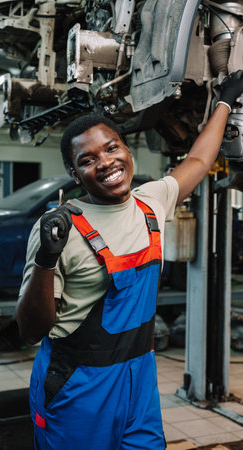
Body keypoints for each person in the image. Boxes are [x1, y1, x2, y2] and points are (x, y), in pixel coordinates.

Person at [16, 70, 243, 450]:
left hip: (139, 377)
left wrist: (224, 100)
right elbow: (31, 329)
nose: (105, 162)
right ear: (75, 174)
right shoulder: (60, 227)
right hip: (78, 385)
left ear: (127, 149)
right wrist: (46, 259)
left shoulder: (151, 201)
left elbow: (200, 161)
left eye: (111, 147)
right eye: (88, 160)